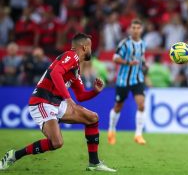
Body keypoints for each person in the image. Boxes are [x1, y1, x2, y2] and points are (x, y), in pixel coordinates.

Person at [0, 33, 116, 172]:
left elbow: (80, 95)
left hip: (57, 103)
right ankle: (14, 155)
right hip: (42, 101)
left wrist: (95, 91)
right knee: (57, 143)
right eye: (90, 46)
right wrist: (67, 98)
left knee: (92, 118)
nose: (91, 50)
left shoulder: (76, 68)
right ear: (85, 47)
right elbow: (56, 73)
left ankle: (94, 163)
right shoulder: (71, 56)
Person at [107, 19, 147, 145]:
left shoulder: (143, 44)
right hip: (123, 80)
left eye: (138, 28)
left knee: (141, 105)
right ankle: (112, 130)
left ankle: (138, 134)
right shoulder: (124, 43)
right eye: (133, 28)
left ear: (141, 29)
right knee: (118, 107)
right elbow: (115, 58)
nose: (135, 30)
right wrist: (127, 63)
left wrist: (145, 65)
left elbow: (142, 59)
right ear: (130, 29)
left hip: (137, 79)